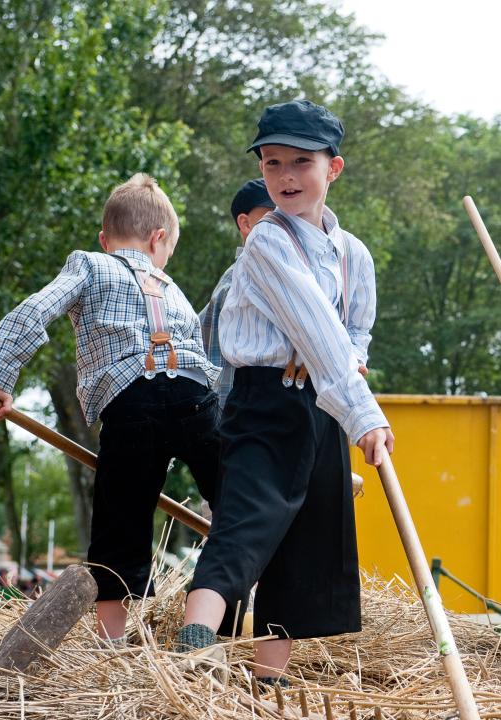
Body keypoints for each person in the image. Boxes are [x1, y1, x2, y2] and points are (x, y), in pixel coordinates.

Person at [177, 100, 395, 685]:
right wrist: (364, 414)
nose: (286, 177)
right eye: (272, 164)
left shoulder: (354, 254)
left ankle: (269, 681)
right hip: (265, 402)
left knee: (307, 543)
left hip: (321, 404)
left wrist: (352, 374)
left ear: (335, 168)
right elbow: (317, 330)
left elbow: (353, 333)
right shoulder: (268, 241)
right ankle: (188, 659)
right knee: (247, 521)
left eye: (302, 162)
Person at [0, 173, 221, 643]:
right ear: (159, 239)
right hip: (194, 397)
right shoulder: (176, 292)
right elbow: (207, 359)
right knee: (235, 509)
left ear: (105, 239)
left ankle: (113, 645)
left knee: (120, 522)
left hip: (132, 404)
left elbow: (31, 312)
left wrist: (0, 378)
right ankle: (210, 616)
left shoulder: (89, 264)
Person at [199, 178, 274, 409]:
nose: (287, 224)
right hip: (241, 418)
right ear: (246, 223)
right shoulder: (236, 286)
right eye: (274, 215)